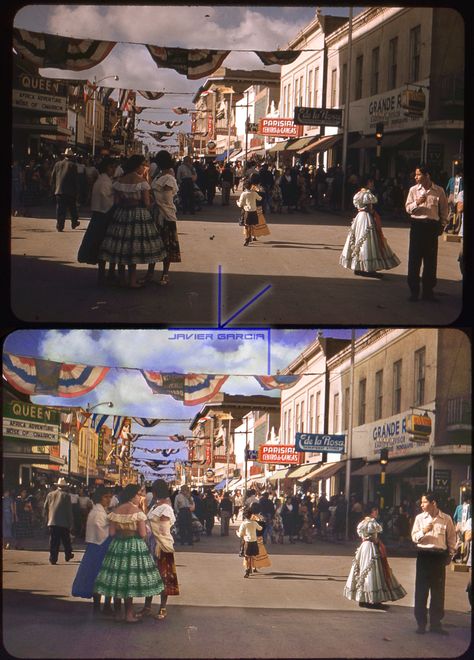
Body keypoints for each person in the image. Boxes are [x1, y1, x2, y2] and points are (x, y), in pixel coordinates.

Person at [93, 483, 164, 623]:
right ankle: (129, 614)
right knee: (130, 580)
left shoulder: (116, 511)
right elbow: (143, 533)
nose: (140, 497)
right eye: (138, 494)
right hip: (134, 545)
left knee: (118, 579)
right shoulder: (137, 512)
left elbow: (112, 532)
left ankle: (118, 613)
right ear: (133, 495)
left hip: (118, 545)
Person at [97, 154, 167, 289]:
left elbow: (116, 201)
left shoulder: (119, 181)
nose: (144, 167)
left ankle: (122, 279)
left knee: (122, 247)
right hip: (138, 215)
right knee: (133, 248)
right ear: (137, 166)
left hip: (121, 215)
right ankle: (132, 281)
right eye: (143, 165)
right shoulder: (141, 182)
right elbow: (146, 203)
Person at [344, 504, 407, 609]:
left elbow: (362, 535)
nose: (376, 512)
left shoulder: (362, 523)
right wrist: (378, 543)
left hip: (363, 548)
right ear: (371, 511)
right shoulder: (372, 522)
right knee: (373, 572)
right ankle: (374, 600)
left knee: (363, 570)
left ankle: (363, 598)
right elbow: (374, 538)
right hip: (371, 547)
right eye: (375, 510)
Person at [411, 492, 457, 635]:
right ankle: (421, 623)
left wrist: (450, 555)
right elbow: (414, 537)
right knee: (421, 591)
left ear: (433, 503)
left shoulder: (446, 519)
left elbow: (451, 539)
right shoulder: (420, 518)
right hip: (424, 556)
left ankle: (436, 624)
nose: (422, 505)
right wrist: (423, 531)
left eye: (424, 502)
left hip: (438, 557)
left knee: (438, 592)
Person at [72, 487, 121, 617]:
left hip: (95, 547)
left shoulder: (98, 511)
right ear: (100, 497)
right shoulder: (98, 512)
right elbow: (104, 531)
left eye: (110, 497)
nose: (109, 499)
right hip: (100, 547)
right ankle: (103, 606)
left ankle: (99, 606)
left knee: (97, 577)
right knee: (104, 577)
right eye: (106, 497)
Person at [405, 165, 449, 302]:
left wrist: (442, 225)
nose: (416, 177)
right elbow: (407, 208)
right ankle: (414, 291)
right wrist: (417, 203)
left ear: (427, 175)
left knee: (430, 261)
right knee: (414, 260)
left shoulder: (439, 191)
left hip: (431, 228)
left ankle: (428, 292)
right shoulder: (413, 190)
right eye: (415, 175)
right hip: (417, 227)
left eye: (418, 175)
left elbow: (444, 210)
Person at [138, 479, 180, 621]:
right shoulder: (156, 506)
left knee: (163, 578)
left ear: (156, 492)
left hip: (161, 546)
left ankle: (162, 607)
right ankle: (147, 606)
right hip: (151, 544)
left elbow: (163, 529)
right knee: (150, 577)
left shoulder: (166, 508)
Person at [340, 182, 400, 278]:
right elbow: (369, 207)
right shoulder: (367, 194)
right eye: (371, 183)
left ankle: (358, 267)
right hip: (366, 218)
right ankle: (368, 268)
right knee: (368, 241)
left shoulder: (359, 194)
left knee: (359, 239)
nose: (372, 185)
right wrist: (372, 213)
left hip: (359, 217)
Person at [77, 157, 117, 285]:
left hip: (100, 215)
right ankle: (104, 274)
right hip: (103, 216)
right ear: (107, 168)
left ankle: (107, 273)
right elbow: (108, 201)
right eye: (111, 167)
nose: (113, 169)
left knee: (102, 246)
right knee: (104, 246)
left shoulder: (103, 180)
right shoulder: (104, 182)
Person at [149, 149, 181, 286]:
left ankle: (164, 273)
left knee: (165, 246)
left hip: (165, 215)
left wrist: (155, 200)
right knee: (155, 245)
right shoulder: (160, 176)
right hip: (158, 214)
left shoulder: (168, 179)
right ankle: (154, 273)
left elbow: (167, 199)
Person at [43, 477, 74, 565]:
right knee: (66, 540)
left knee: (54, 541)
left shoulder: (50, 494)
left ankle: (53, 558)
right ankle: (68, 554)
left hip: (52, 521)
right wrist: (71, 523)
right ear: (65, 487)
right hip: (64, 522)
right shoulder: (66, 496)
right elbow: (69, 511)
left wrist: (46, 518)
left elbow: (45, 507)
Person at [50, 148, 80, 232]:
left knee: (60, 209)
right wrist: (77, 191)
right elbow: (75, 179)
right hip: (70, 191)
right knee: (72, 208)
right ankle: (74, 222)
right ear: (71, 156)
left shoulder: (57, 164)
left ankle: (60, 225)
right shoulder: (73, 165)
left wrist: (53, 188)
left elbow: (53, 177)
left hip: (59, 190)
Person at [236, 506, 262, 578]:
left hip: (247, 541)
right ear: (251, 516)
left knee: (247, 556)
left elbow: (240, 534)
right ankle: (253, 567)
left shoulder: (244, 524)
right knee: (253, 556)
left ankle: (248, 570)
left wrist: (237, 533)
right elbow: (260, 528)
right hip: (254, 541)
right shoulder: (254, 523)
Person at [250, 504, 271, 573]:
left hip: (250, 537)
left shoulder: (250, 517)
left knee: (250, 553)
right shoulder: (261, 517)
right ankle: (255, 567)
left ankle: (249, 566)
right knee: (257, 553)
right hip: (258, 538)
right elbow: (263, 528)